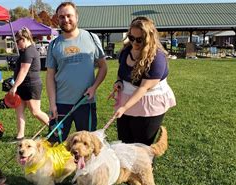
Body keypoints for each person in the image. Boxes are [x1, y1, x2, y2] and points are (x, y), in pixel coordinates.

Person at [45, 2, 108, 143]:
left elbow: (103, 67)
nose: (66, 20)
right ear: (58, 19)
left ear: (77, 17)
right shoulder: (54, 44)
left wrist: (94, 87)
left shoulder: (92, 38)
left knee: (88, 148)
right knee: (55, 146)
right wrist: (52, 104)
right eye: (61, 17)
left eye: (69, 15)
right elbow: (49, 76)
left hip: (85, 102)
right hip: (61, 104)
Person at [112, 16, 176, 146]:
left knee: (143, 148)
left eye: (139, 39)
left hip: (149, 104)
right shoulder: (126, 51)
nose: (134, 42)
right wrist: (118, 82)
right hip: (127, 101)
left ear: (149, 38)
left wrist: (124, 107)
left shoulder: (157, 58)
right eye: (131, 38)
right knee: (124, 144)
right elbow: (121, 73)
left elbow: (143, 88)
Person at [9, 28, 49, 140]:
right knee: (19, 110)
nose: (16, 44)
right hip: (22, 86)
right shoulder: (24, 51)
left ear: (24, 39)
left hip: (31, 86)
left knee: (35, 111)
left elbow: (24, 70)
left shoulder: (29, 51)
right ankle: (20, 136)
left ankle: (55, 129)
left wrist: (15, 86)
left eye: (17, 41)